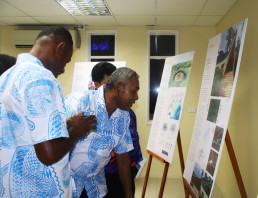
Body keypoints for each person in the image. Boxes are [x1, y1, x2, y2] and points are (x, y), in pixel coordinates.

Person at [0, 26, 97, 198]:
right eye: (66, 61)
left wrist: (64, 126)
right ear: (59, 48)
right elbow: (49, 154)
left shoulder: (7, 76)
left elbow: (24, 131)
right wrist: (74, 132)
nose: (63, 70)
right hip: (41, 191)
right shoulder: (40, 78)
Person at [65, 67, 140, 198]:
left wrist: (129, 195)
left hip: (96, 187)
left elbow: (122, 156)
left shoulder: (123, 116)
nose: (136, 97)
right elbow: (53, 143)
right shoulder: (79, 103)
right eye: (134, 91)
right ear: (117, 87)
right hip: (68, 186)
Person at [90, 61, 143, 198]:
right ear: (96, 85)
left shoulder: (125, 113)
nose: (113, 87)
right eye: (108, 83)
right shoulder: (85, 108)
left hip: (122, 170)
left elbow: (128, 149)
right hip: (101, 175)